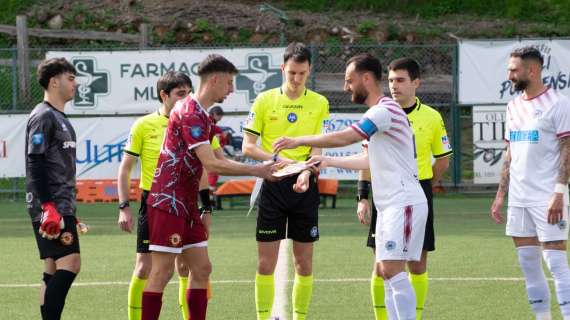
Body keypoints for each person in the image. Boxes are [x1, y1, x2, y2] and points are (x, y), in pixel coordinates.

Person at [273, 53, 427, 320]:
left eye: (349, 80)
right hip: (391, 203)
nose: (346, 87)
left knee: (392, 270)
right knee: (385, 270)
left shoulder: (384, 110)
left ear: (366, 79)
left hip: (403, 201)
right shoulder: (380, 113)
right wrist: (326, 159)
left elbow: (347, 136)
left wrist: (298, 140)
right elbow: (368, 158)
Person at [141, 54, 277, 320]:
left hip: (187, 204)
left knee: (202, 269)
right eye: (229, 83)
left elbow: (218, 160)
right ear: (214, 79)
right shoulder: (189, 111)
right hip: (168, 202)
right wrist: (257, 170)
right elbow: (212, 164)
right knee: (162, 273)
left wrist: (265, 164)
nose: (232, 89)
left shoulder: (203, 117)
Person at [118, 71, 220, 320]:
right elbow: (126, 167)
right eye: (180, 94)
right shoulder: (144, 125)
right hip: (154, 202)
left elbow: (206, 165)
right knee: (145, 268)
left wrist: (206, 207)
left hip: (186, 201)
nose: (186, 98)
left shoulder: (196, 120)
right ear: (164, 95)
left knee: (190, 267)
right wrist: (124, 206)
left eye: (188, 92)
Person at [356, 57, 452, 319]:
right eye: (390, 80)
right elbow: (368, 158)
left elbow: (443, 159)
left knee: (418, 265)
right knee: (381, 264)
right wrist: (362, 196)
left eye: (400, 80)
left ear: (416, 83)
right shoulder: (379, 113)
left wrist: (425, 185)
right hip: (385, 193)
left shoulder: (431, 117)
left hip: (416, 191)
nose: (394, 86)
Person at [242, 42, 330, 320]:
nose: (296, 79)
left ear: (309, 71)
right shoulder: (265, 100)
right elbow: (248, 146)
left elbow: (319, 148)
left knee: (303, 264)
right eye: (291, 72)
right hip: (272, 184)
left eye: (301, 73)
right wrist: (274, 160)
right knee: (266, 262)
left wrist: (306, 172)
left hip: (304, 185)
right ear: (283, 68)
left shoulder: (319, 103)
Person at [491, 46, 570, 320]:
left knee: (556, 263)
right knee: (528, 264)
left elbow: (567, 149)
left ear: (532, 70)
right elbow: (511, 152)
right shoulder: (513, 106)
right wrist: (501, 194)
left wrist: (559, 192)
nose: (510, 75)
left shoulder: (559, 103)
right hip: (519, 199)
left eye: (514, 70)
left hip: (548, 197)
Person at [25, 57, 80, 320]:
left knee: (52, 267)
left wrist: (70, 210)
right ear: (54, 81)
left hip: (60, 205)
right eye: (70, 78)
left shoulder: (60, 118)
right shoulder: (43, 116)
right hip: (51, 207)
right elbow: (35, 162)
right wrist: (49, 206)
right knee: (71, 263)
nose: (75, 83)